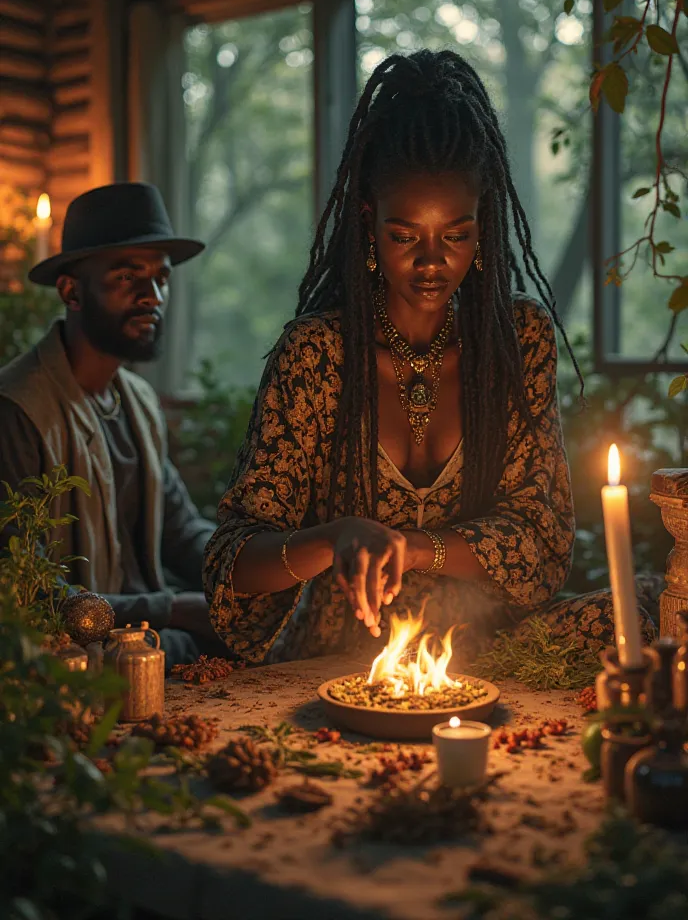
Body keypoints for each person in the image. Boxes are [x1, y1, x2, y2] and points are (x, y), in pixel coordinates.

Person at [203, 50, 654, 667]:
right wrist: (336, 539)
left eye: (457, 236)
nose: (432, 262)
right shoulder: (316, 356)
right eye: (405, 236)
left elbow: (540, 543)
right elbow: (234, 563)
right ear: (369, 222)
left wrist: (415, 548)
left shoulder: (516, 341)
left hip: (487, 647)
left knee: (651, 607)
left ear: (483, 228)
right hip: (349, 655)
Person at [0, 182, 225, 668]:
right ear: (71, 291)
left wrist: (257, 564)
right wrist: (173, 608)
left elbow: (181, 530)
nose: (153, 295)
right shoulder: (17, 409)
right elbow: (28, 588)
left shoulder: (138, 401)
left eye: (161, 278)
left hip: (152, 637)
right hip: (70, 651)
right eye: (128, 277)